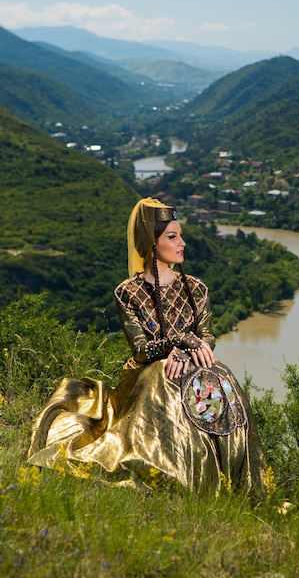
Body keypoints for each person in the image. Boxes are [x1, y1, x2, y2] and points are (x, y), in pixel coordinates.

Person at [28, 197, 267, 495]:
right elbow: (140, 350)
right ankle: (181, 483)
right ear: (151, 243)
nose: (182, 243)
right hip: (147, 374)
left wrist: (191, 346)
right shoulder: (128, 293)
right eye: (172, 236)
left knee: (223, 381)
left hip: (191, 364)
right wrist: (178, 341)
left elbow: (206, 335)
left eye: (180, 235)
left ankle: (236, 488)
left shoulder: (196, 288)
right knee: (166, 382)